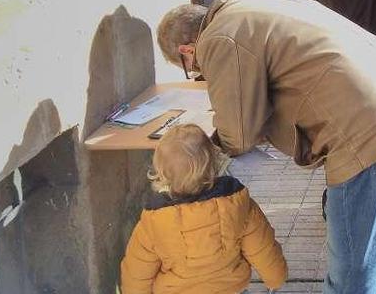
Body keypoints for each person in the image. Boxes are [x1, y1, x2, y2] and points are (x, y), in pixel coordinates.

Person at [156, 0, 376, 294]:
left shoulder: (218, 37)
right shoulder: (253, 9)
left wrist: (207, 145)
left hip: (369, 132)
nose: (200, 73)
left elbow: (237, 134)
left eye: (193, 68)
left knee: (351, 274)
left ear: (188, 49)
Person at [120, 124, 288, 294]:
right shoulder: (237, 204)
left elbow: (137, 271)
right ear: (213, 162)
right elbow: (262, 247)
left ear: (161, 174)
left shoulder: (154, 220)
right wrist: (275, 277)